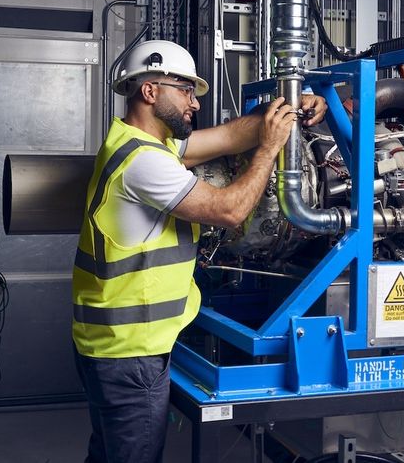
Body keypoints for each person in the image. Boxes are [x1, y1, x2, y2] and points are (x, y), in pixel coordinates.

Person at [71, 39, 327, 463]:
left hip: (112, 346)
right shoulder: (145, 164)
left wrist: (289, 112)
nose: (194, 102)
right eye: (185, 90)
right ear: (150, 91)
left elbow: (228, 137)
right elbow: (229, 211)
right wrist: (268, 150)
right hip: (130, 353)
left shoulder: (142, 144)